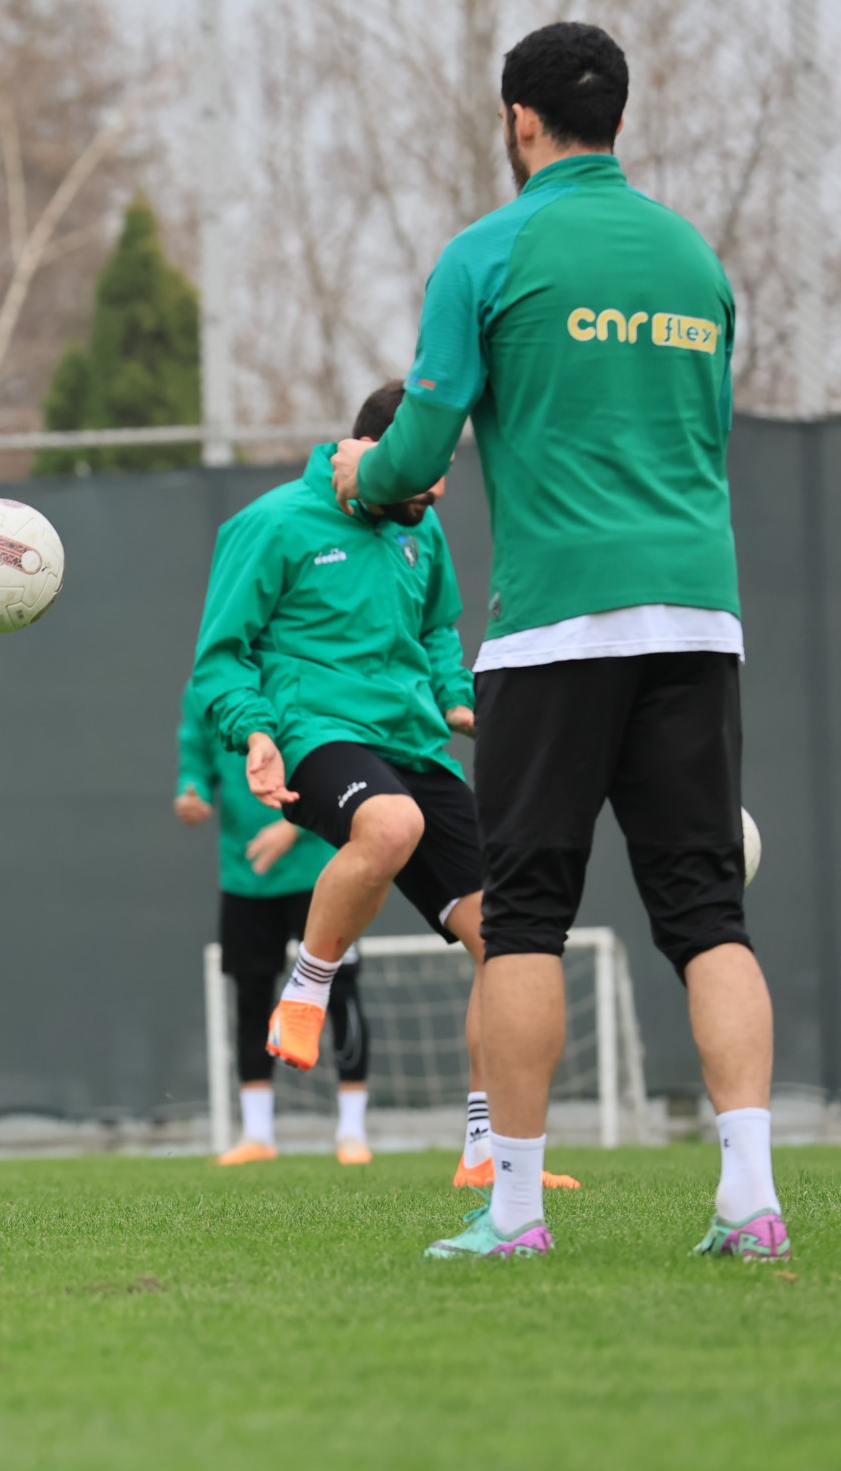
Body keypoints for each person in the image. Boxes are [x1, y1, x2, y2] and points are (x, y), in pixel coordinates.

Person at [332, 24, 781, 1261]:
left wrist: (367, 469)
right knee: (709, 913)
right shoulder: (695, 260)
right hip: (698, 614)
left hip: (556, 630)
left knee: (523, 920)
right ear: (616, 119)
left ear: (519, 120)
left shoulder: (488, 251)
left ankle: (516, 1211)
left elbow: (421, 457)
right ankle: (751, 1197)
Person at [194, 380, 579, 1197]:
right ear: (371, 454)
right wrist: (256, 731)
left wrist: (456, 698)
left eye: (442, 471)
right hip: (319, 732)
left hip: (415, 743)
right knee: (392, 824)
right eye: (423, 470)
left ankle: (487, 1153)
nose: (436, 488)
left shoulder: (421, 532)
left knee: (510, 942)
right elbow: (220, 657)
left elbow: (438, 628)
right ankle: (307, 989)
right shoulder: (270, 525)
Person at [176, 683, 371, 1165]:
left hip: (320, 873)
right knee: (251, 997)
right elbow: (195, 757)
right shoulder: (207, 687)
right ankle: (258, 1134)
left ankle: (352, 1131)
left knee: (341, 992)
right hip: (246, 876)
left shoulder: (298, 675)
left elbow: (339, 762)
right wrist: (191, 794)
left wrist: (294, 825)